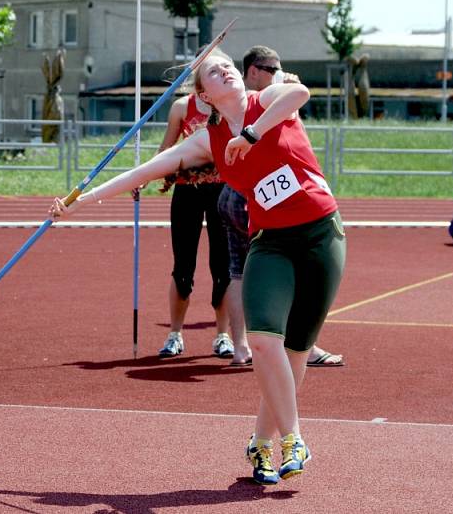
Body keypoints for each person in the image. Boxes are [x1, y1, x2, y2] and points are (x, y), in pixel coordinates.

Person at [50, 48, 346, 485]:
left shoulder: (268, 100)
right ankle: (294, 438)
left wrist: (251, 134)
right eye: (213, 70)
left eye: (226, 64)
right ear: (203, 95)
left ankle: (261, 444)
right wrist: (81, 202)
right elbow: (147, 170)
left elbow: (299, 92)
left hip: (322, 236)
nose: (224, 69)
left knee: (295, 354)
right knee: (265, 343)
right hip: (271, 244)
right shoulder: (207, 140)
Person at [219, 45, 343, 367]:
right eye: (270, 69)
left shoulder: (270, 97)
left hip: (254, 194)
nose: (277, 74)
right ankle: (286, 346)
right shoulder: (254, 99)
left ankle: (244, 346)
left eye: (279, 69)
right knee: (272, 271)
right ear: (253, 71)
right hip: (253, 199)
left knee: (241, 271)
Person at [155, 89, 232, 358]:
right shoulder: (181, 107)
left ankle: (223, 335)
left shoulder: (229, 103)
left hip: (222, 190)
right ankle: (174, 334)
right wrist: (141, 176)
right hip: (187, 190)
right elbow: (167, 148)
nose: (219, 75)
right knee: (183, 263)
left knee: (223, 263)